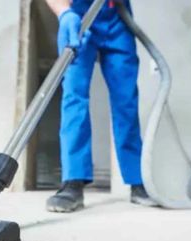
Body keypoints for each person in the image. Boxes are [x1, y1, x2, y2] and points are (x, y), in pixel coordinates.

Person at [45, 0, 154, 212]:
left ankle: (137, 181)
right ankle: (73, 182)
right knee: (74, 98)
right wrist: (64, 13)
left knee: (126, 101)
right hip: (79, 14)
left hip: (117, 17)